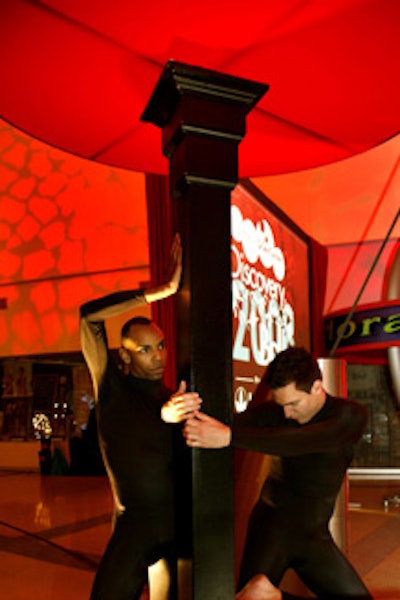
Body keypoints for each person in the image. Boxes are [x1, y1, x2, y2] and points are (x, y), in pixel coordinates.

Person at [183, 346, 372, 600]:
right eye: (281, 404)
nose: (286, 413)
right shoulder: (277, 413)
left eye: (293, 403)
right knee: (248, 598)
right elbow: (221, 421)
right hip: (271, 530)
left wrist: (229, 437)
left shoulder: (349, 416)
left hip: (313, 536)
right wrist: (183, 411)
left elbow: (300, 441)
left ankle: (273, 597)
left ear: (317, 387)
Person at [80, 234, 202, 600]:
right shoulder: (113, 390)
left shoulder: (174, 397)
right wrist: (161, 290)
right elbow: (88, 317)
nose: (157, 356)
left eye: (161, 345)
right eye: (145, 349)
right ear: (126, 357)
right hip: (134, 526)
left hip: (174, 529)